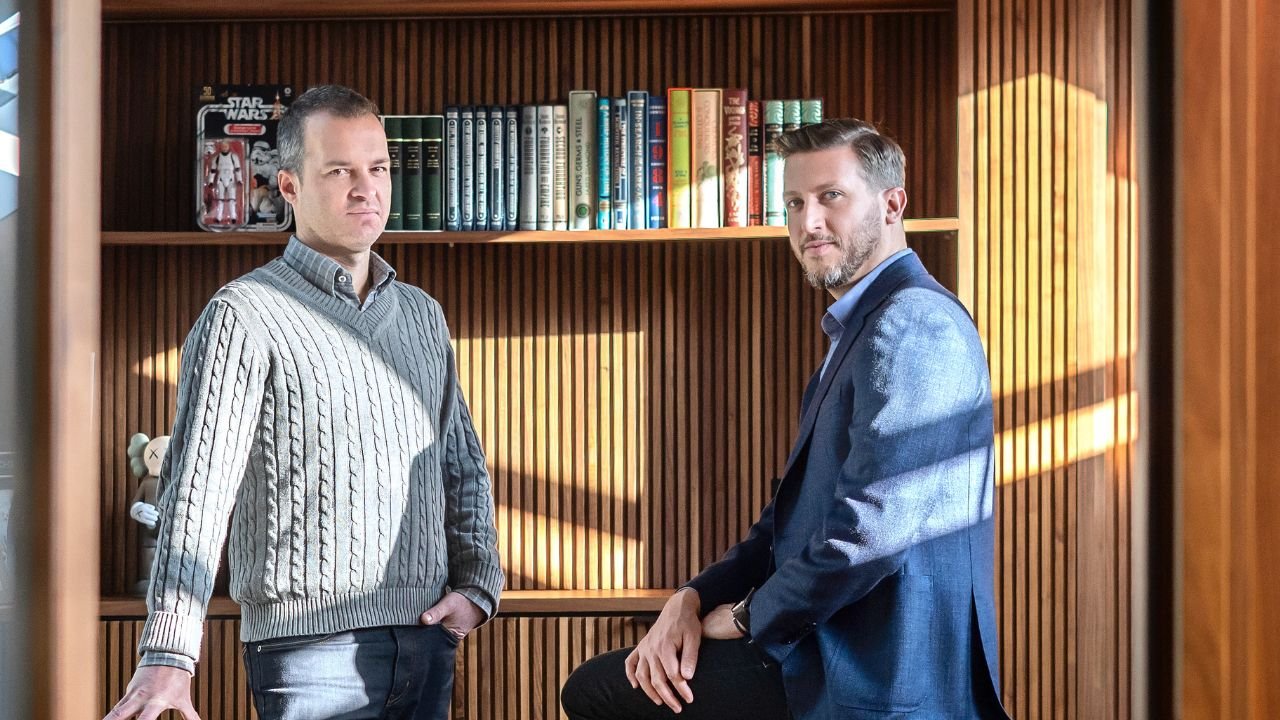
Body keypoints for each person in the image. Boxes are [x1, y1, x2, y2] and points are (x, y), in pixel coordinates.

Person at [561, 119, 1010, 720]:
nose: (809, 222)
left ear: (892, 204)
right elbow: (786, 522)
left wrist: (750, 616)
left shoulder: (912, 324)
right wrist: (692, 597)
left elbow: (873, 531)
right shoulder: (861, 330)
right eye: (795, 203)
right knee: (621, 679)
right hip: (824, 650)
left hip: (876, 674)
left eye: (831, 196)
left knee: (599, 692)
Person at [104, 84, 504, 720]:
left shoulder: (423, 316)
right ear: (288, 187)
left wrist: (479, 586)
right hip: (309, 655)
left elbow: (461, 468)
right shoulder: (244, 315)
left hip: (428, 640)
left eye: (378, 168)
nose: (366, 189)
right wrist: (169, 652)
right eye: (340, 171)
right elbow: (196, 494)